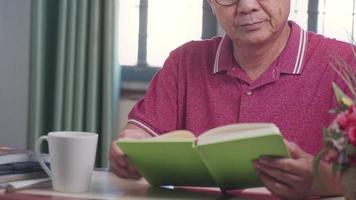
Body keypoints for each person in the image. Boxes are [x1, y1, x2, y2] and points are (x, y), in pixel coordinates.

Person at [109, 0, 356, 199]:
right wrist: (127, 150)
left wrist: (322, 181)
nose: (247, 5)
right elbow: (138, 134)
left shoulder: (346, 63)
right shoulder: (184, 61)